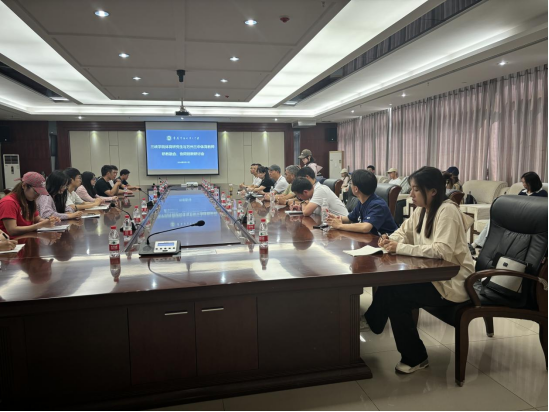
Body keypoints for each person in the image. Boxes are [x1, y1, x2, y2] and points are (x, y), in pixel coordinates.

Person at [367, 166, 475, 374]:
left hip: (452, 282)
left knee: (396, 296)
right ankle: (375, 324)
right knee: (392, 287)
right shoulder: (421, 210)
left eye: (416, 189)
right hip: (432, 276)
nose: (411, 194)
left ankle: (411, 354)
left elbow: (442, 251)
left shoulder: (447, 211)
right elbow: (403, 233)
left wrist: (400, 247)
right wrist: (389, 240)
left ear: (433, 191)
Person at [472, 171, 547, 250]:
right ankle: (476, 244)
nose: (523, 184)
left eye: (524, 182)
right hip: (517, 215)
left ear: (531, 182)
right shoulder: (522, 192)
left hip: (528, 218)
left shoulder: (542, 193)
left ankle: (483, 245)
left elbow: (540, 209)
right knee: (493, 220)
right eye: (522, 182)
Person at [327, 170, 398, 236]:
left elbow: (365, 227)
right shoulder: (362, 201)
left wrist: (340, 226)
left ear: (356, 189)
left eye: (351, 183)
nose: (350, 185)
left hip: (387, 242)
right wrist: (336, 219)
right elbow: (349, 218)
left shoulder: (378, 205)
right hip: (369, 239)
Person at [0, 172, 59, 236]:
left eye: (40, 193)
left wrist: (49, 221)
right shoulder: (8, 202)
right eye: (36, 191)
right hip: (13, 241)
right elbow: (12, 230)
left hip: (27, 237)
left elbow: (37, 219)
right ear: (24, 186)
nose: (37, 195)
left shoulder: (28, 200)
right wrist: (39, 225)